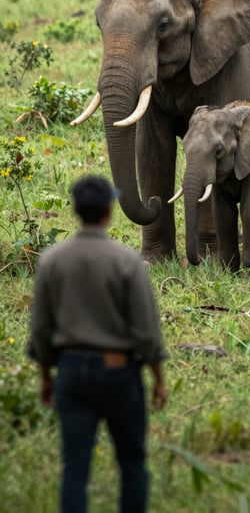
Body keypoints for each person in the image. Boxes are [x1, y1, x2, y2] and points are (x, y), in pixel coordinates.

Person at [27, 175, 168, 513]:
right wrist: (158, 378)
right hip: (119, 371)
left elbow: (41, 329)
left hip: (71, 371)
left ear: (75, 210)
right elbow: (146, 329)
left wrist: (47, 376)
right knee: (132, 462)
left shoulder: (52, 260)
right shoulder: (127, 260)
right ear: (109, 212)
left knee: (75, 467)